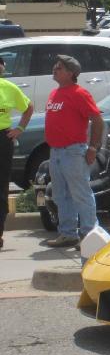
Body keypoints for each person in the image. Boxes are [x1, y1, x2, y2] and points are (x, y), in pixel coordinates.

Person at [43, 55, 104, 248]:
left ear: (71, 73)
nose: (55, 69)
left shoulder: (80, 93)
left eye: (59, 67)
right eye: (55, 66)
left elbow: (97, 120)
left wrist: (93, 147)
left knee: (81, 194)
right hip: (56, 152)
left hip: (73, 152)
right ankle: (68, 233)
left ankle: (90, 235)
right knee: (61, 195)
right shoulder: (55, 93)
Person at [0, 57, 33, 250]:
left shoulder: (9, 88)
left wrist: (19, 128)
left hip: (2, 139)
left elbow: (28, 108)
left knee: (1, 186)